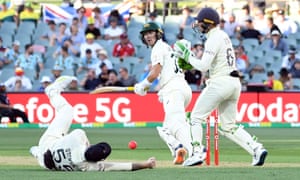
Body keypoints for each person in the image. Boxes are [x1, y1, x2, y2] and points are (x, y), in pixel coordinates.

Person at [173, 7, 268, 166]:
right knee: (228, 127)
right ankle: (256, 149)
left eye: (200, 23)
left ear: (208, 24)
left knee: (195, 118)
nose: (198, 26)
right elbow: (211, 64)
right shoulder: (223, 36)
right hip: (234, 83)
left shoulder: (214, 38)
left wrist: (187, 56)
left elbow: (203, 65)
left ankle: (197, 153)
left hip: (220, 83)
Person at [29, 76, 156, 171]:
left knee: (67, 110)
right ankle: (34, 151)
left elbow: (49, 154)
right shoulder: (87, 166)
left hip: (49, 143)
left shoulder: (78, 136)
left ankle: (52, 91)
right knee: (40, 154)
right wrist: (146, 164)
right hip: (47, 163)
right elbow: (120, 166)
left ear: (90, 147)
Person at [134, 22, 194, 165]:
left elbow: (155, 72)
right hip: (182, 88)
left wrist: (142, 85)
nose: (148, 36)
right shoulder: (167, 48)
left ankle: (196, 152)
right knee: (165, 129)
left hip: (174, 90)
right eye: (145, 34)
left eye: (151, 33)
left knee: (176, 125)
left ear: (158, 33)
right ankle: (178, 148)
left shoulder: (158, 48)